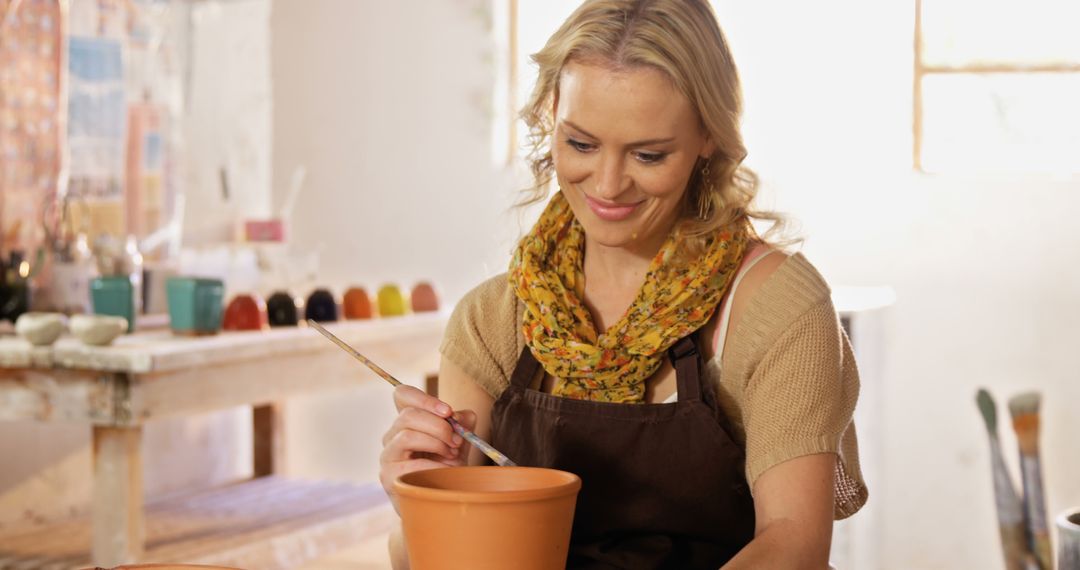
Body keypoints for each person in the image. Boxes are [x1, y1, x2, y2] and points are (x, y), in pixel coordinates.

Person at [380, 0, 867, 567]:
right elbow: (433, 558)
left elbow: (794, 546)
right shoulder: (492, 323)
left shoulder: (776, 308)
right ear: (550, 115)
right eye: (581, 144)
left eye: (648, 154)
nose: (608, 185)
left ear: (709, 136)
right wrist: (420, 499)